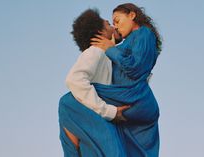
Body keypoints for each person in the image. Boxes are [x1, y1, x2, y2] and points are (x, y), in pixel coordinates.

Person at [90, 3, 162, 157]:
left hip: (133, 96)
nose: (115, 26)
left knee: (78, 96)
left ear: (132, 15)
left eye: (117, 20)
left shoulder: (145, 34)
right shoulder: (124, 43)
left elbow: (135, 68)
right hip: (123, 97)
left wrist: (110, 49)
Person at [59, 9, 128, 157]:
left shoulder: (107, 54)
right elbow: (74, 79)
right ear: (100, 32)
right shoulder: (95, 51)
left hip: (94, 122)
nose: (114, 26)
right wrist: (109, 111)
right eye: (109, 24)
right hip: (96, 118)